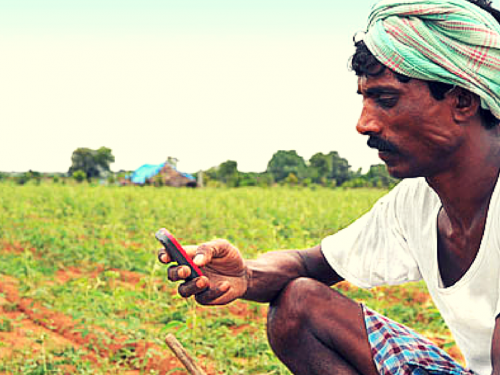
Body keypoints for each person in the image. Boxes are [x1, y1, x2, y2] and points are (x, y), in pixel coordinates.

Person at [158, 0, 500, 373]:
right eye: (366, 99)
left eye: (385, 100)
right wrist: (246, 275)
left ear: (463, 101)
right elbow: (310, 264)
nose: (364, 124)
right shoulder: (416, 203)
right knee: (299, 305)